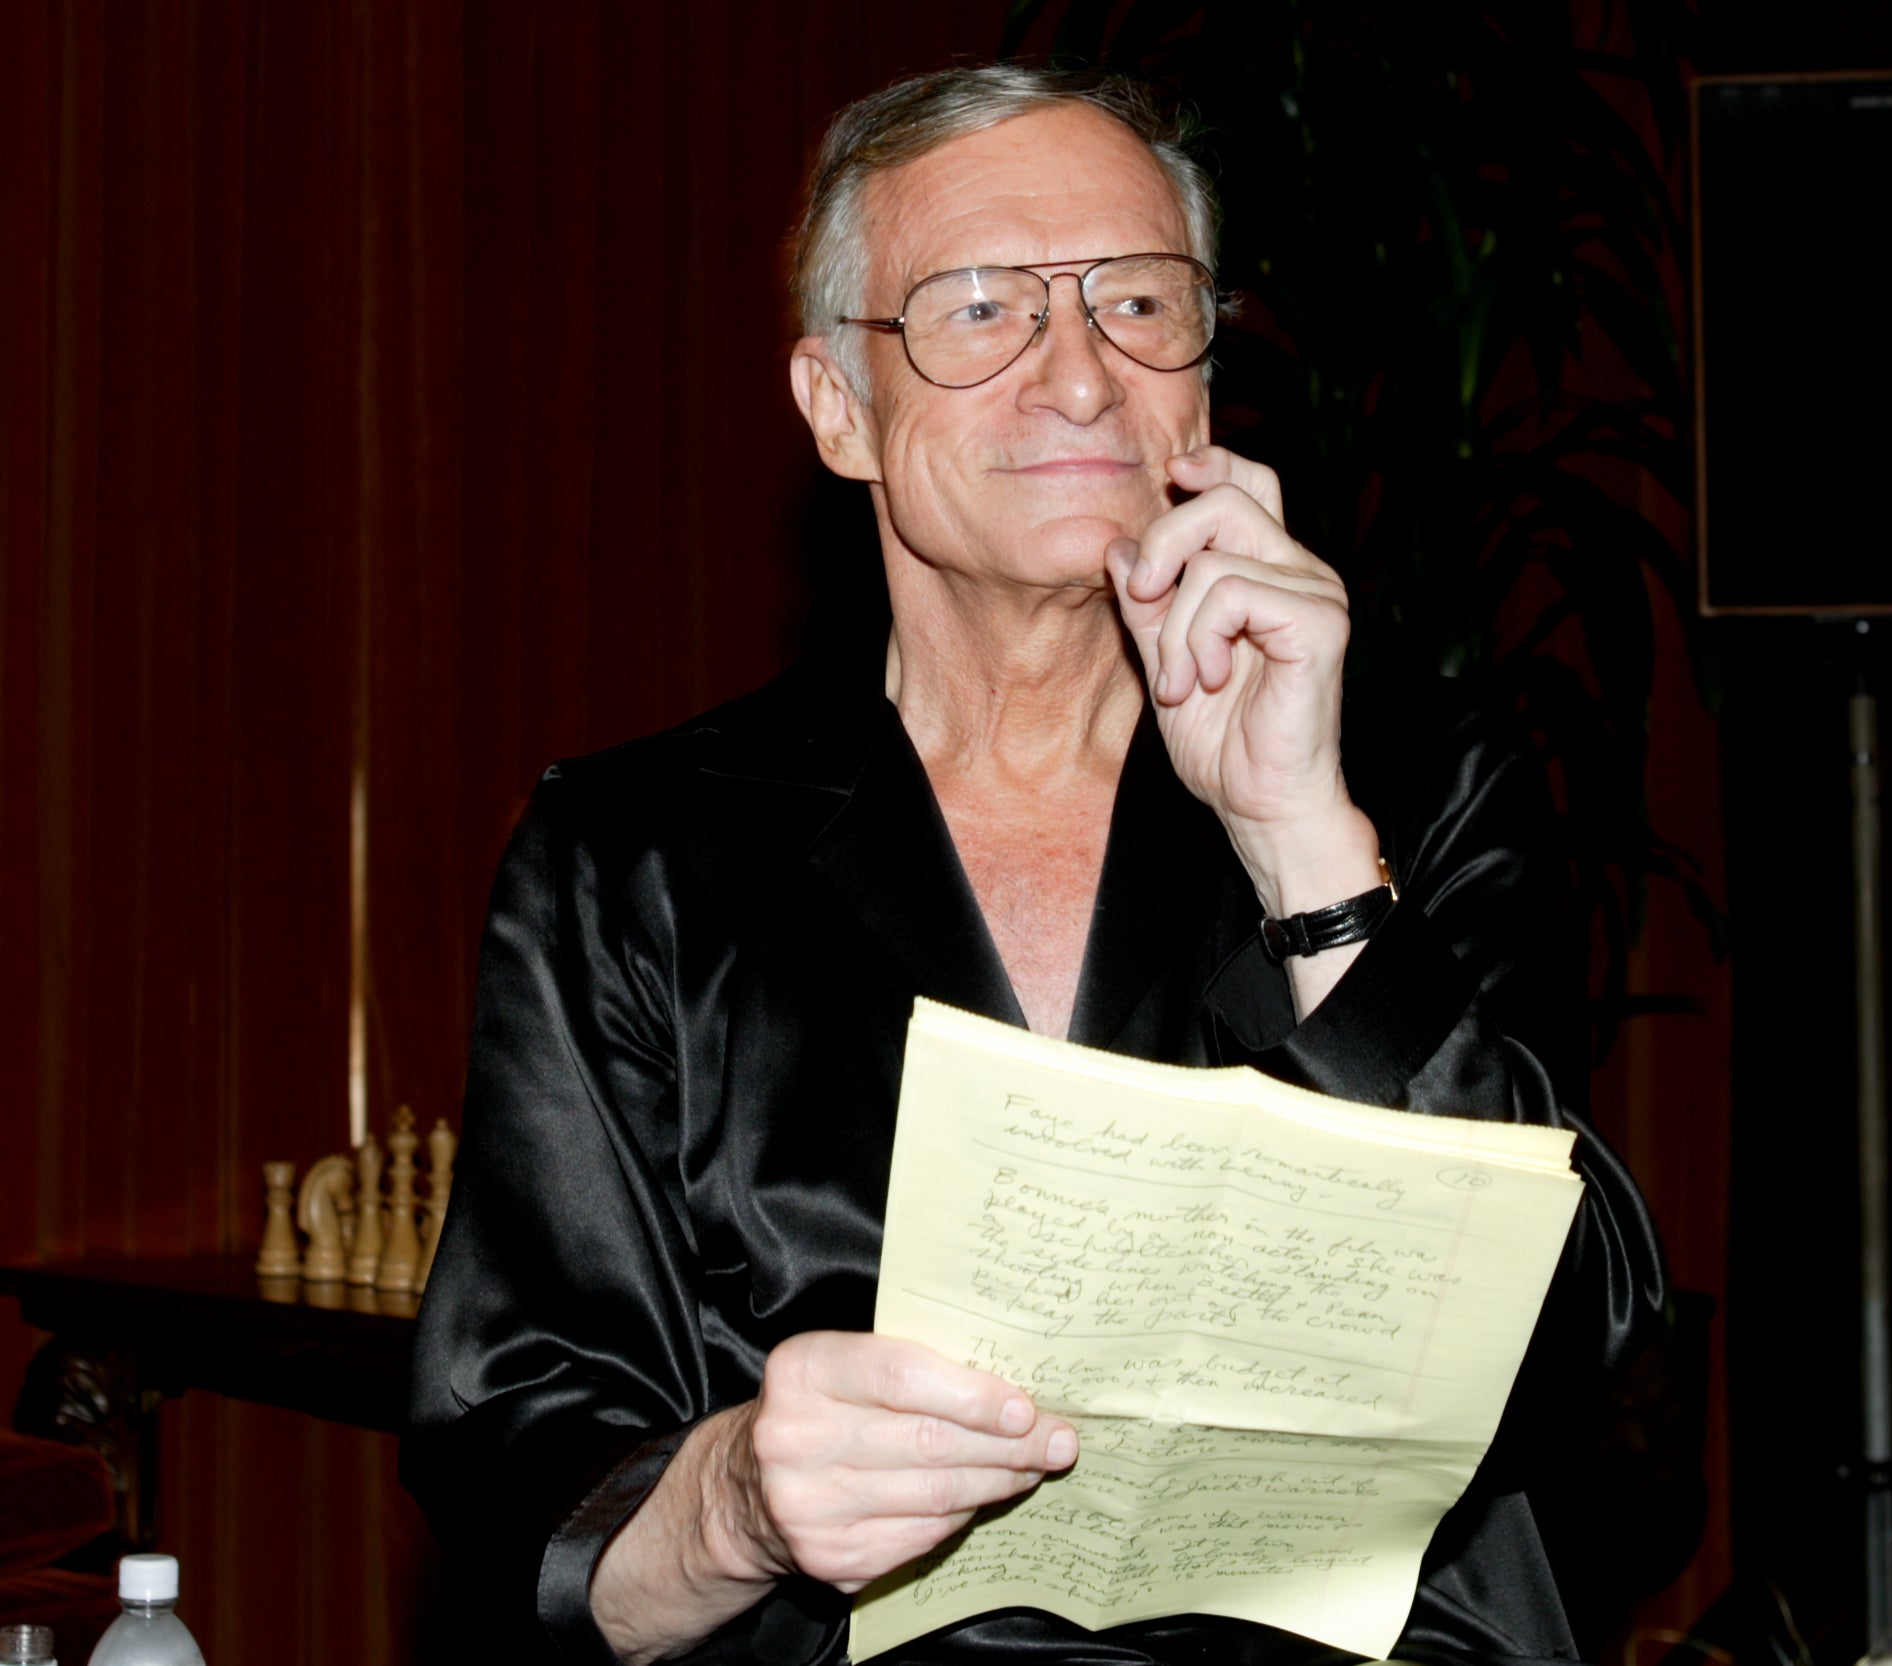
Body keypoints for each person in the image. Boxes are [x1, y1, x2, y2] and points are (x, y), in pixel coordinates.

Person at [404, 63, 1664, 1666]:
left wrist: (1301, 843)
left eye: (1139, 301)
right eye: (982, 308)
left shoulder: (1402, 778)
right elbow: (533, 1510)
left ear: (1202, 384)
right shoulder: (639, 857)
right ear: (839, 408)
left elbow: (1596, 1371)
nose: (1079, 377)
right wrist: (738, 1499)